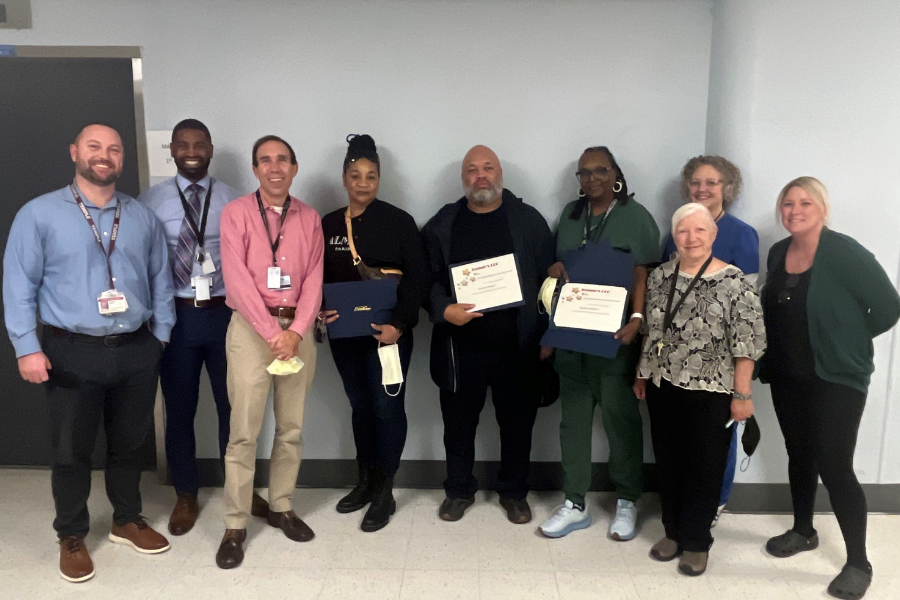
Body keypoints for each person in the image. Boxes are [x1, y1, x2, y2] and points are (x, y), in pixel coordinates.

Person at [3, 123, 176, 583]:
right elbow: (19, 285)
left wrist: (160, 334)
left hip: (137, 349)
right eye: (95, 147)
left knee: (130, 443)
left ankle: (126, 520)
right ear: (75, 152)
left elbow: (161, 280)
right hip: (69, 350)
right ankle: (72, 533)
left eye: (114, 149)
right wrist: (26, 347)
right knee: (71, 450)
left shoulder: (140, 217)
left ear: (122, 159)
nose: (105, 155)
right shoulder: (38, 215)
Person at [757, 177, 900, 600]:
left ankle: (859, 561)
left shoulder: (844, 252)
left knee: (835, 465)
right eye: (787, 204)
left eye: (804, 203)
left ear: (822, 208)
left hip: (837, 377)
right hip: (787, 373)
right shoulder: (779, 252)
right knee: (799, 455)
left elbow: (889, 307)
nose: (794, 210)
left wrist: (848, 340)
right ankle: (803, 530)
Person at [422, 145, 554, 524]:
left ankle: (514, 492)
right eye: (472, 170)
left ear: (500, 175)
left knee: (517, 425)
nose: (480, 176)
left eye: (488, 168)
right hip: (460, 348)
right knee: (458, 426)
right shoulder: (443, 224)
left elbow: (549, 282)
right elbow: (426, 280)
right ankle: (459, 490)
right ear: (463, 179)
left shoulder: (528, 220)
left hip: (518, 346)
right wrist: (443, 308)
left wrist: (546, 337)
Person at [634, 202, 765, 576]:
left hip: (712, 391)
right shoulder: (660, 276)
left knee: (704, 467)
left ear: (713, 235)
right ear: (674, 236)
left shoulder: (735, 283)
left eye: (699, 231)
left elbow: (748, 343)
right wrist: (643, 373)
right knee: (669, 461)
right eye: (683, 231)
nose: (691, 238)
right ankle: (672, 532)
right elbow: (652, 332)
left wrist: (742, 396)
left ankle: (696, 542)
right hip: (664, 385)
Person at [538, 146, 659, 541]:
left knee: (620, 422)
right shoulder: (570, 218)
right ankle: (574, 503)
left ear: (615, 173)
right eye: (583, 173)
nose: (591, 179)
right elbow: (561, 273)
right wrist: (555, 271)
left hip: (614, 340)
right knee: (572, 424)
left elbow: (642, 274)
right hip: (572, 342)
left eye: (599, 171)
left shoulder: (636, 218)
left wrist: (638, 319)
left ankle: (627, 500)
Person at [215, 135, 323, 569]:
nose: (274, 167)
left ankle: (281, 506)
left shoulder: (310, 217)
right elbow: (236, 278)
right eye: (265, 161)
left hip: (297, 329)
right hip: (250, 331)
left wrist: (295, 330)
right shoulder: (236, 213)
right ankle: (235, 524)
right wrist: (269, 331)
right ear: (255, 170)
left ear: (294, 168)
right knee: (243, 432)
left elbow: (315, 277)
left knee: (291, 428)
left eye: (282, 160)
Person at [319, 134, 430, 532]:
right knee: (360, 407)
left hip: (389, 337)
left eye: (370, 176)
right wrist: (319, 309)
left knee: (386, 409)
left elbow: (418, 278)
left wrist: (399, 325)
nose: (363, 183)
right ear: (344, 178)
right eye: (355, 175)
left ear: (379, 179)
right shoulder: (329, 223)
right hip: (346, 336)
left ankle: (385, 489)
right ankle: (365, 481)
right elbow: (318, 276)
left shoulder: (399, 221)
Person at [140, 119, 242, 536]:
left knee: (233, 408)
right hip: (176, 317)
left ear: (211, 149)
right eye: (183, 144)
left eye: (199, 144)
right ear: (172, 150)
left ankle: (239, 487)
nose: (192, 150)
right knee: (179, 410)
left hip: (225, 315)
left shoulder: (235, 202)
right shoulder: (148, 203)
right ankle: (186, 492)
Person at [662, 155, 759, 525]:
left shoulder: (742, 234)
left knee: (719, 438)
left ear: (727, 189)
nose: (702, 189)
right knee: (682, 440)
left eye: (712, 183)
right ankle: (684, 504)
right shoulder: (671, 231)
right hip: (676, 365)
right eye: (696, 182)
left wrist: (742, 382)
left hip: (721, 364)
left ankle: (713, 505)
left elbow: (747, 312)